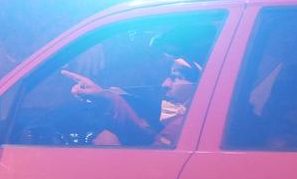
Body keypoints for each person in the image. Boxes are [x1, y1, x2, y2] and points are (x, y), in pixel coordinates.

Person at [64, 56, 202, 147]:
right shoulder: (187, 122)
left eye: (176, 77)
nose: (165, 84)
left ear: (200, 84)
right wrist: (104, 96)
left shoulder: (184, 126)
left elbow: (154, 166)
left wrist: (114, 152)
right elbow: (144, 138)